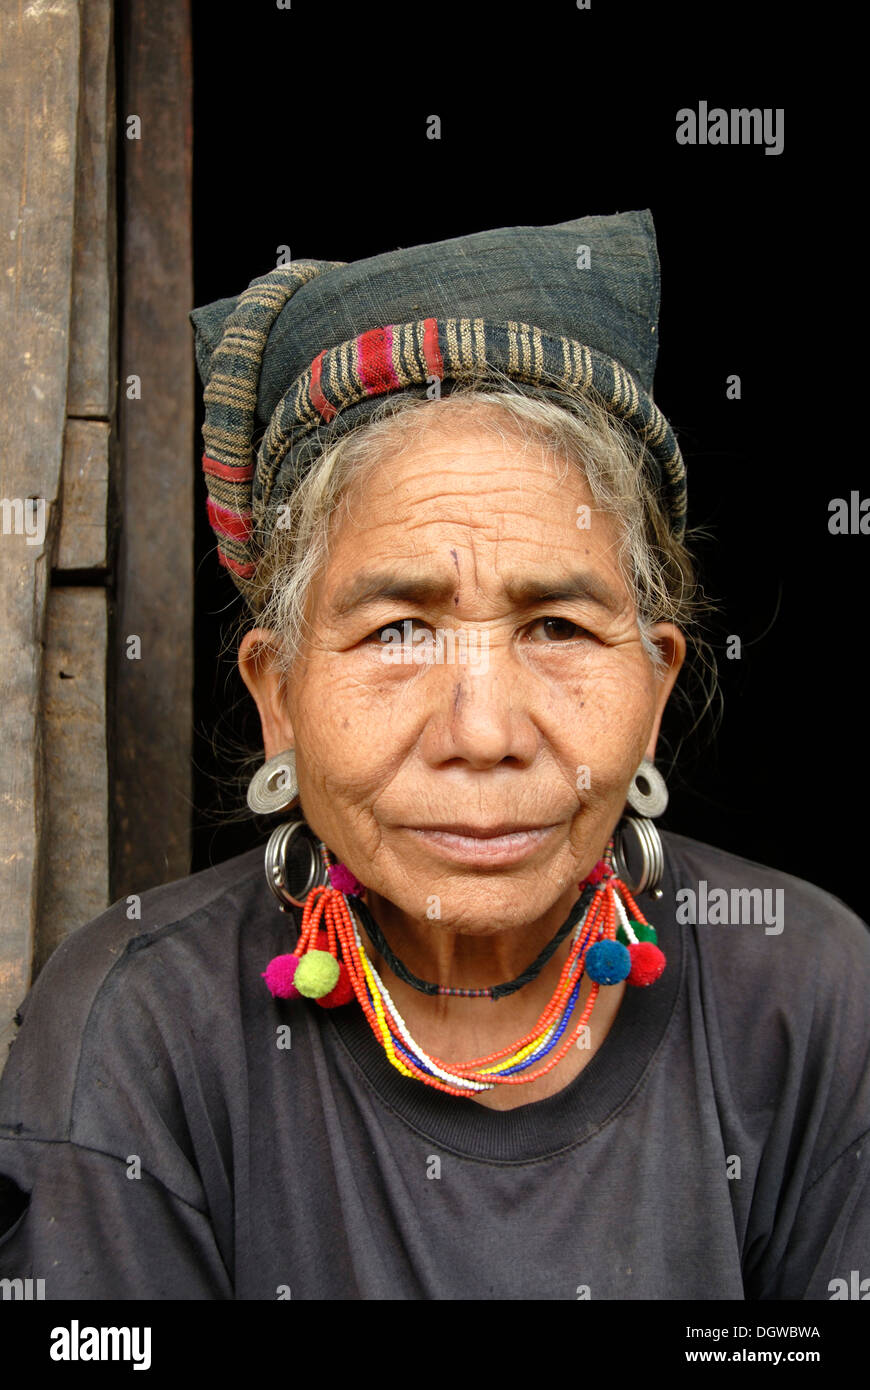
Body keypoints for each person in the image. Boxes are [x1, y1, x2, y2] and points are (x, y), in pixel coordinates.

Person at [0, 211, 867, 1300]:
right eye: (398, 631)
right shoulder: (139, 1028)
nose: (485, 734)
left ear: (654, 691)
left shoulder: (813, 993)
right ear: (278, 697)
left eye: (557, 627)